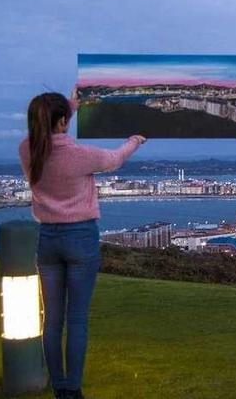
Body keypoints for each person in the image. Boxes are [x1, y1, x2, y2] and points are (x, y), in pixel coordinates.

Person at [18, 91, 146, 399]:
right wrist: (135, 141)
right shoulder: (79, 155)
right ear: (63, 122)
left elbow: (50, 129)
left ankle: (59, 387)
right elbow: (115, 159)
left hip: (48, 240)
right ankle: (72, 389)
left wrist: (71, 106)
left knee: (52, 320)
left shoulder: (27, 150)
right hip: (80, 238)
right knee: (77, 320)